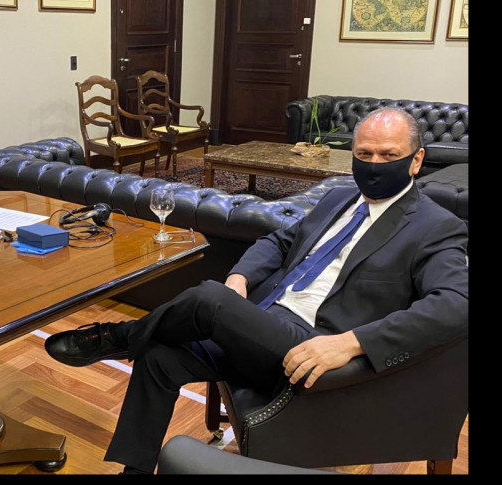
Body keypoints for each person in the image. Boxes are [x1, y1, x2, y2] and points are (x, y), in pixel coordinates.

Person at [44, 107, 469, 474]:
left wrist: (353, 343)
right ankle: (134, 469)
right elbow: (278, 242)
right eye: (364, 154)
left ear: (416, 161)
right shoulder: (339, 197)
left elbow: (457, 304)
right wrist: (240, 279)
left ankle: (116, 338)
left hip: (315, 349)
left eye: (388, 155)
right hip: (264, 322)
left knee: (209, 299)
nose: (374, 164)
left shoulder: (436, 226)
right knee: (159, 356)